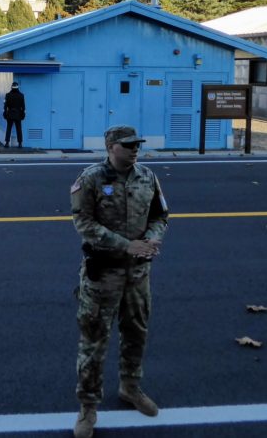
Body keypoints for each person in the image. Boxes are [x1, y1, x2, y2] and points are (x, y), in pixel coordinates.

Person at [70, 125, 169, 438]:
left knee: (136, 333)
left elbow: (160, 216)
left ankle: (130, 386)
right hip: (104, 274)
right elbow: (83, 222)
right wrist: (126, 245)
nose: (134, 149)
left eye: (137, 144)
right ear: (111, 146)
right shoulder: (91, 179)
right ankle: (88, 407)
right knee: (94, 341)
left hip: (138, 275)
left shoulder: (147, 177)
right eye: (127, 145)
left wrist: (152, 239)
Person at [3, 81, 25, 148]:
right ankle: (20, 143)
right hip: (18, 114)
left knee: (8, 128)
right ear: (18, 87)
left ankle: (7, 143)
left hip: (10, 114)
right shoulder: (21, 95)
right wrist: (23, 114)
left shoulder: (7, 95)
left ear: (11, 87)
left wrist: (5, 113)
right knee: (19, 129)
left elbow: (5, 106)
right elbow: (23, 107)